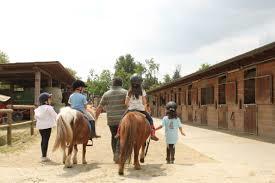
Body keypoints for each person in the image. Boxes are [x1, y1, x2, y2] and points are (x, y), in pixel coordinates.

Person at [116, 74, 159, 141]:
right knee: (150, 120)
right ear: (140, 83)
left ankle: (118, 133)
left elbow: (126, 103)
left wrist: (130, 106)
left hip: (131, 110)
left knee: (121, 120)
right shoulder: (142, 91)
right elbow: (144, 102)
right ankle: (152, 134)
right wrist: (145, 108)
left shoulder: (129, 91)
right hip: (141, 110)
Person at [95, 77, 127, 163]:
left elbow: (99, 108)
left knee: (114, 136)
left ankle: (115, 154)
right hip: (123, 120)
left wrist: (95, 119)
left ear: (112, 84)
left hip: (111, 120)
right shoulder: (125, 93)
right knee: (123, 137)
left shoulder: (106, 94)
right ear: (121, 84)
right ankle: (120, 154)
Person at [34, 92, 57, 162]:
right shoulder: (49, 108)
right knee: (46, 140)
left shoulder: (38, 109)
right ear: (45, 101)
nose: (51, 100)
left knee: (43, 140)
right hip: (47, 127)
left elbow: (35, 117)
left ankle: (43, 155)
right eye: (49, 99)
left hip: (40, 127)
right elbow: (56, 116)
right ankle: (44, 157)